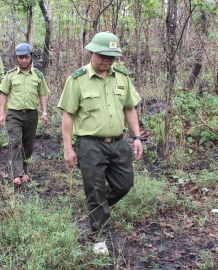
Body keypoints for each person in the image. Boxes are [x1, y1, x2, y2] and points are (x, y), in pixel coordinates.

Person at [57, 32, 143, 253]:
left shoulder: (122, 77)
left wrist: (137, 136)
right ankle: (99, 237)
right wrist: (68, 148)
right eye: (104, 55)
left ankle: (97, 209)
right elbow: (68, 116)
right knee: (95, 190)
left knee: (125, 184)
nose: (108, 60)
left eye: (112, 56)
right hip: (89, 145)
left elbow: (129, 108)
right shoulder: (77, 79)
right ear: (91, 53)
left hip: (118, 143)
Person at [0, 43, 49, 186]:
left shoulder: (38, 75)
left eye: (26, 57)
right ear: (16, 58)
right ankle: (17, 174)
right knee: (15, 142)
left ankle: (25, 170)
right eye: (21, 58)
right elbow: (4, 94)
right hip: (14, 114)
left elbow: (42, 94)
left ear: (31, 57)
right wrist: (1, 114)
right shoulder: (11, 75)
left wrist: (44, 112)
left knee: (28, 144)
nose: (24, 60)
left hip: (31, 114)